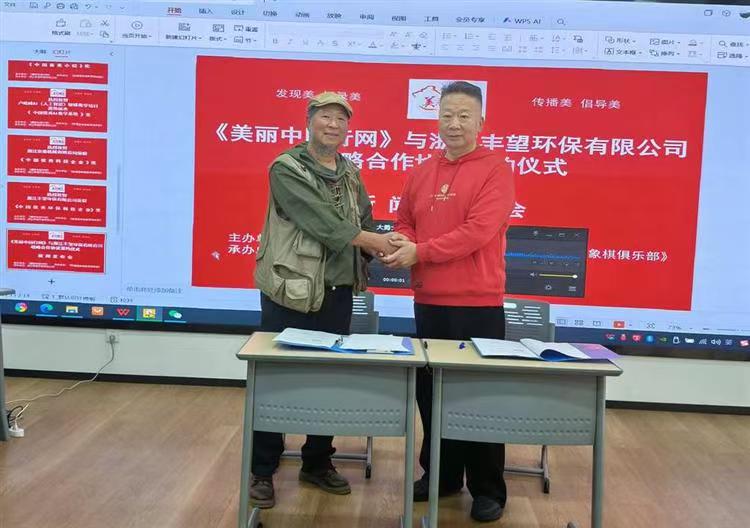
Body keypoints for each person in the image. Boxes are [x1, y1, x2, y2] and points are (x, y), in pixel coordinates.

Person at [250, 91, 395, 509]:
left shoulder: (350, 172)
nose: (333, 125)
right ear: (309, 120)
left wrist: (385, 247)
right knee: (276, 382)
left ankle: (316, 462)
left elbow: (363, 218)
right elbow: (322, 222)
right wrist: (373, 241)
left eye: (341, 119)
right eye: (325, 117)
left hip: (337, 293)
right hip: (290, 292)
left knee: (328, 382)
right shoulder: (286, 167)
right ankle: (262, 470)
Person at [382, 81, 515, 522]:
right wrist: (403, 242)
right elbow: (405, 219)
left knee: (479, 398)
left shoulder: (496, 170)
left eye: (463, 116)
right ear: (436, 119)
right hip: (429, 301)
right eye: (446, 115)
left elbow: (478, 231)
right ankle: (441, 476)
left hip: (478, 305)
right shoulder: (422, 170)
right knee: (432, 393)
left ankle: (488, 488)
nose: (454, 124)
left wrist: (420, 251)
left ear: (481, 122)